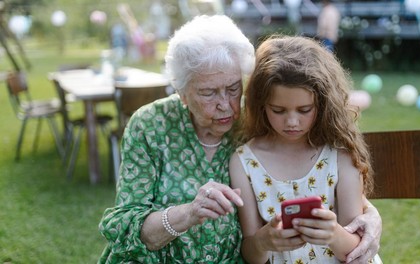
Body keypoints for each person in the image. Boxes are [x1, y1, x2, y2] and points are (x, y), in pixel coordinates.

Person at [98, 15, 381, 263]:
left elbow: (320, 175)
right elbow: (124, 225)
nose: (226, 105)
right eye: (209, 93)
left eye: (233, 88)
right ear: (181, 92)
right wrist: (187, 213)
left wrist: (370, 216)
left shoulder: (263, 118)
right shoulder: (150, 125)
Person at [229, 35, 382, 263]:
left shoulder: (339, 153)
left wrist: (333, 234)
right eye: (278, 110)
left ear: (323, 104)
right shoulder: (245, 162)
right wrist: (263, 241)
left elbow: (358, 251)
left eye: (304, 110)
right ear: (261, 105)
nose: (292, 122)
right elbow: (252, 254)